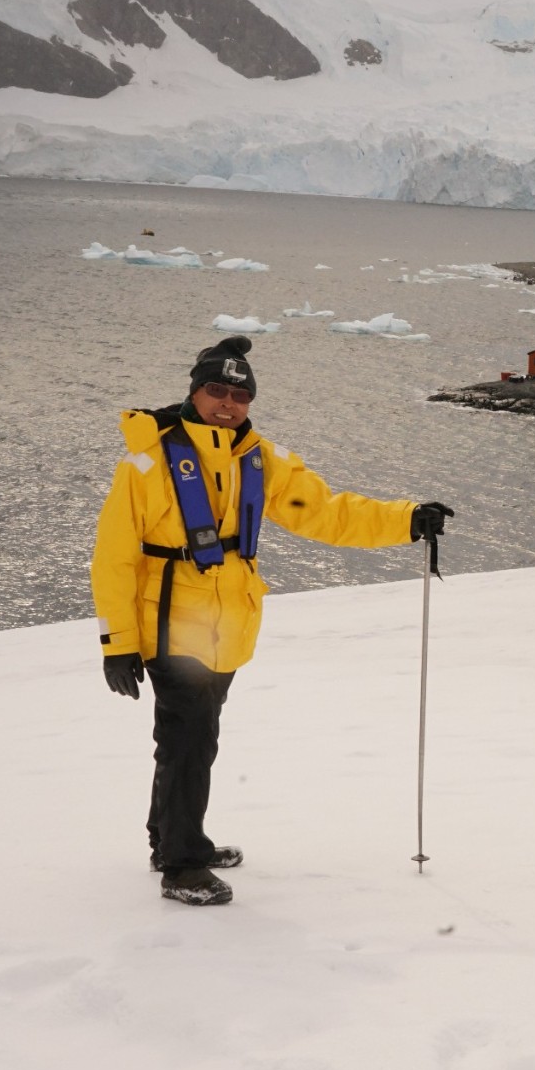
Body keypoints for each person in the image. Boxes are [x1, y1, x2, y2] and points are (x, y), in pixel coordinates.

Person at [90, 336, 454, 906]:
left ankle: (172, 840)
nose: (227, 403)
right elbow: (112, 557)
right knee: (189, 740)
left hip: (230, 625)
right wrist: (118, 642)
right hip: (170, 625)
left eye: (239, 394)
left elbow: (327, 512)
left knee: (191, 739)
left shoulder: (260, 459)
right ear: (194, 390)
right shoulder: (146, 463)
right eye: (216, 390)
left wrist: (407, 519)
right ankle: (182, 867)